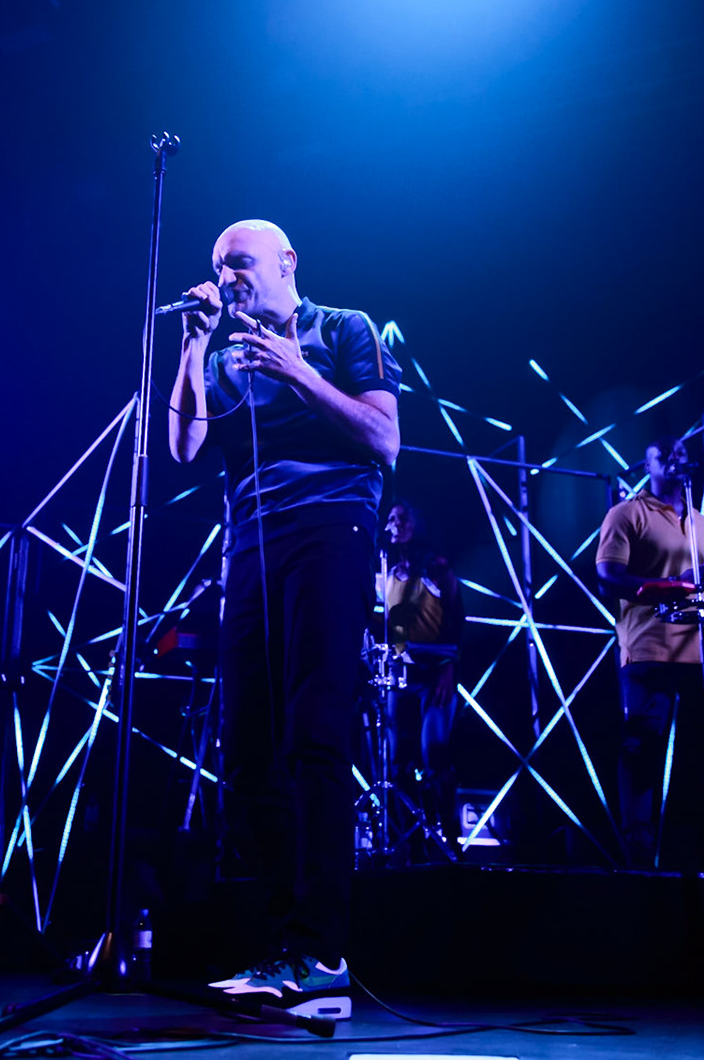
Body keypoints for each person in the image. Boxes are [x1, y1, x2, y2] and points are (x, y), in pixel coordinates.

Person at [168, 219, 400, 1020]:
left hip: (331, 533)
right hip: (250, 550)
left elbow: (385, 438)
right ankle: (282, 948)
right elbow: (183, 448)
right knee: (249, 754)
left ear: (285, 263)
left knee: (314, 737)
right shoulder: (230, 357)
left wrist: (299, 371)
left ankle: (324, 952)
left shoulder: (343, 330)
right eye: (217, 267)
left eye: (238, 262)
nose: (227, 276)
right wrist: (193, 348)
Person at [594, 435, 704, 871]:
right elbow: (608, 577)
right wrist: (666, 587)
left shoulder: (703, 522)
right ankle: (639, 858)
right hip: (650, 648)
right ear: (649, 463)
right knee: (642, 749)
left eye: (681, 452)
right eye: (666, 453)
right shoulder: (627, 514)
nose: (677, 458)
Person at [376, 501, 466, 855]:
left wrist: (449, 668)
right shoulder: (388, 572)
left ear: (416, 523)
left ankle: (450, 843)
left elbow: (458, 621)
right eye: (391, 519)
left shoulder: (437, 567)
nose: (394, 524)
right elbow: (394, 623)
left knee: (434, 755)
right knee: (398, 763)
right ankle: (407, 845)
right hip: (400, 677)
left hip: (434, 675)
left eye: (401, 518)